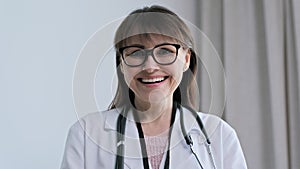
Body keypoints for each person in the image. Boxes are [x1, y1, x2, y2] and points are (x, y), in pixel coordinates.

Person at [61, 5, 248, 169]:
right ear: (122, 64)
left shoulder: (220, 135)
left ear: (186, 59)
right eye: (136, 52)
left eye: (165, 51)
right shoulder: (86, 134)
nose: (150, 67)